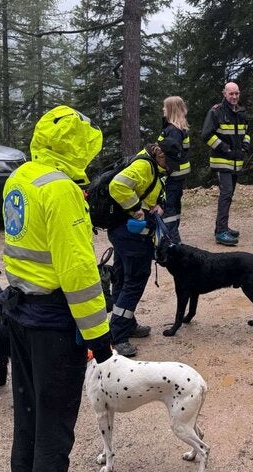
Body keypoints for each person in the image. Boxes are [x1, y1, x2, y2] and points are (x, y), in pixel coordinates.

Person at [1, 105, 112, 472]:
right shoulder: (61, 189)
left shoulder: (21, 177)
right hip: (53, 321)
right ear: (75, 147)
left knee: (28, 415)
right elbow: (78, 272)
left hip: (19, 310)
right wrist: (98, 337)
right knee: (55, 426)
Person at [107, 138, 182, 357]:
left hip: (123, 232)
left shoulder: (151, 164)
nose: (173, 168)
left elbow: (145, 191)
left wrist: (153, 206)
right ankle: (119, 336)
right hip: (130, 233)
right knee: (134, 281)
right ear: (163, 156)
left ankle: (126, 324)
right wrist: (136, 208)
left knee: (122, 278)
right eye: (172, 162)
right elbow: (117, 186)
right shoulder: (144, 165)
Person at [202, 82, 250, 247]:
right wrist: (225, 149)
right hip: (222, 161)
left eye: (237, 93)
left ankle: (222, 227)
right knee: (226, 194)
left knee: (228, 196)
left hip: (236, 161)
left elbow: (246, 132)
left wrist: (245, 145)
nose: (235, 97)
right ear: (224, 94)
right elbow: (207, 135)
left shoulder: (241, 112)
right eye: (231, 94)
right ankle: (221, 231)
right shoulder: (216, 112)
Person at [157, 96, 190, 242]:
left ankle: (172, 240)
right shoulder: (178, 128)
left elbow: (171, 154)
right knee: (175, 205)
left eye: (165, 107)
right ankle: (173, 236)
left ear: (170, 109)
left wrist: (165, 171)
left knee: (169, 206)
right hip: (179, 175)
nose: (163, 109)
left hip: (172, 176)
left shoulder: (172, 131)